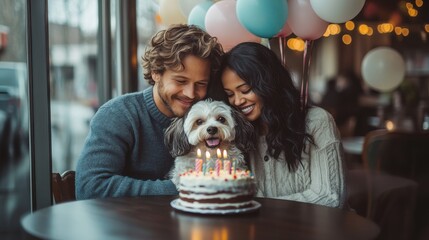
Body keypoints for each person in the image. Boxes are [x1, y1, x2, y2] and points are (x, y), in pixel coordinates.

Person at [75, 24, 223, 199]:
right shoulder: (117, 115)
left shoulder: (213, 119)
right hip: (129, 225)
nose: (191, 93)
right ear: (156, 73)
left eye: (200, 84)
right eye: (180, 81)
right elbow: (91, 188)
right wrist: (184, 188)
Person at [209, 42, 346, 208]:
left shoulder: (317, 122)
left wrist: (265, 208)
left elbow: (330, 197)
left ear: (268, 83)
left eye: (245, 90)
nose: (237, 101)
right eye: (230, 94)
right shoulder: (238, 132)